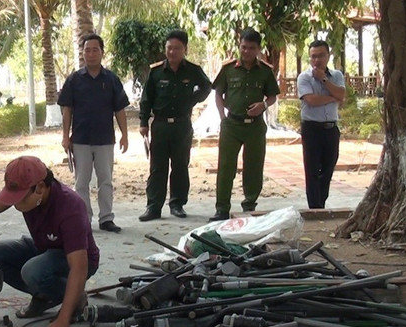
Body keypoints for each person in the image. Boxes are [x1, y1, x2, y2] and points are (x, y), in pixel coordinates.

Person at [0, 156, 99, 327]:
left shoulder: (70, 207)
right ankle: (43, 296)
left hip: (77, 258)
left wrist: (63, 319)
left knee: (32, 271)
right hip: (44, 249)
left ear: (40, 188)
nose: (14, 203)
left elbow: (79, 267)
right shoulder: (27, 189)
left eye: (19, 198)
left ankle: (76, 299)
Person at [58, 34, 130, 233]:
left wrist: (125, 134)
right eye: (87, 50)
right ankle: (83, 219)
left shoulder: (112, 79)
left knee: (105, 181)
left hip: (105, 140)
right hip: (80, 140)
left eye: (95, 49)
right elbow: (67, 110)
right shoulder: (74, 80)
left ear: (102, 52)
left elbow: (120, 110)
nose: (91, 54)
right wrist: (65, 136)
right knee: (81, 183)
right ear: (83, 53)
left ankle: (106, 218)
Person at [138, 29, 212, 222]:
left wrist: (192, 100)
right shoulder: (155, 72)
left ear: (184, 49)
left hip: (182, 125)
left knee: (180, 165)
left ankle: (177, 204)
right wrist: (143, 122)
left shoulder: (193, 70)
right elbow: (146, 99)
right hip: (160, 125)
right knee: (157, 167)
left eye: (177, 48)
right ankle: (153, 207)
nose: (172, 52)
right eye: (169, 48)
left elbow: (207, 87)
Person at [210, 28, 280, 221]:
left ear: (258, 49)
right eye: (243, 47)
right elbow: (218, 93)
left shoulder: (265, 71)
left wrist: (263, 105)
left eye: (251, 48)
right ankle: (222, 208)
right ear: (239, 46)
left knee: (254, 167)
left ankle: (249, 205)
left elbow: (273, 95)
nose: (246, 51)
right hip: (232, 125)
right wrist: (222, 117)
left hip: (255, 127)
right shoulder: (228, 69)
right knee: (225, 167)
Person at [297, 39, 346, 209]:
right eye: (313, 57)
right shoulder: (304, 77)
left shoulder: (337, 76)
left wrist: (325, 80)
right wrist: (333, 98)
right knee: (312, 171)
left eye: (320, 56)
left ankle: (321, 204)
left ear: (328, 56)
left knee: (327, 169)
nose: (317, 60)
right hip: (312, 129)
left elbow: (342, 94)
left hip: (331, 129)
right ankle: (314, 208)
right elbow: (311, 100)